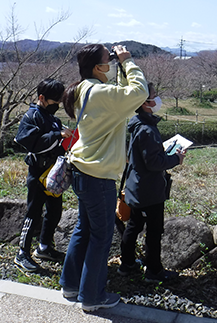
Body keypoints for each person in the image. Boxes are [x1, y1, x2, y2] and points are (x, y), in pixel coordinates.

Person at [59, 43, 148, 312]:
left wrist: (118, 67)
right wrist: (128, 61)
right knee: (101, 236)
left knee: (84, 229)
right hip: (98, 175)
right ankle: (92, 297)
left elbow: (121, 95)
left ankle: (71, 284)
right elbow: (139, 92)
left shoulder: (84, 88)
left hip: (82, 169)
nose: (111, 64)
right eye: (107, 61)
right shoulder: (100, 92)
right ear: (99, 67)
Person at [119, 83, 186, 282]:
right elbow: (154, 162)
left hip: (137, 186)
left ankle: (127, 263)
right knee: (154, 230)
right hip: (149, 190)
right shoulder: (147, 130)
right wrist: (176, 159)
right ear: (146, 103)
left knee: (134, 225)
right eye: (154, 96)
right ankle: (154, 271)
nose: (157, 99)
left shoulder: (137, 123)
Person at [13, 79, 73, 272]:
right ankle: (22, 253)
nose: (58, 105)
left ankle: (44, 247)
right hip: (38, 172)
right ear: (42, 98)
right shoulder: (32, 116)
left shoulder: (53, 119)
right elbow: (31, 143)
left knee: (55, 211)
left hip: (53, 173)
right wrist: (57, 135)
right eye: (55, 101)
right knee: (33, 212)